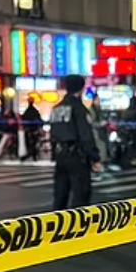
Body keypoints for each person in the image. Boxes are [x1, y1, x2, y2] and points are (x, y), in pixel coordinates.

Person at [49, 74, 101, 210]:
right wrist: (94, 157)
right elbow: (85, 135)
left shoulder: (56, 108)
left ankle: (57, 224)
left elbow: (52, 133)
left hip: (60, 154)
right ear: (81, 88)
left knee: (60, 194)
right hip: (77, 155)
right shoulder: (79, 108)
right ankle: (78, 226)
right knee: (81, 193)